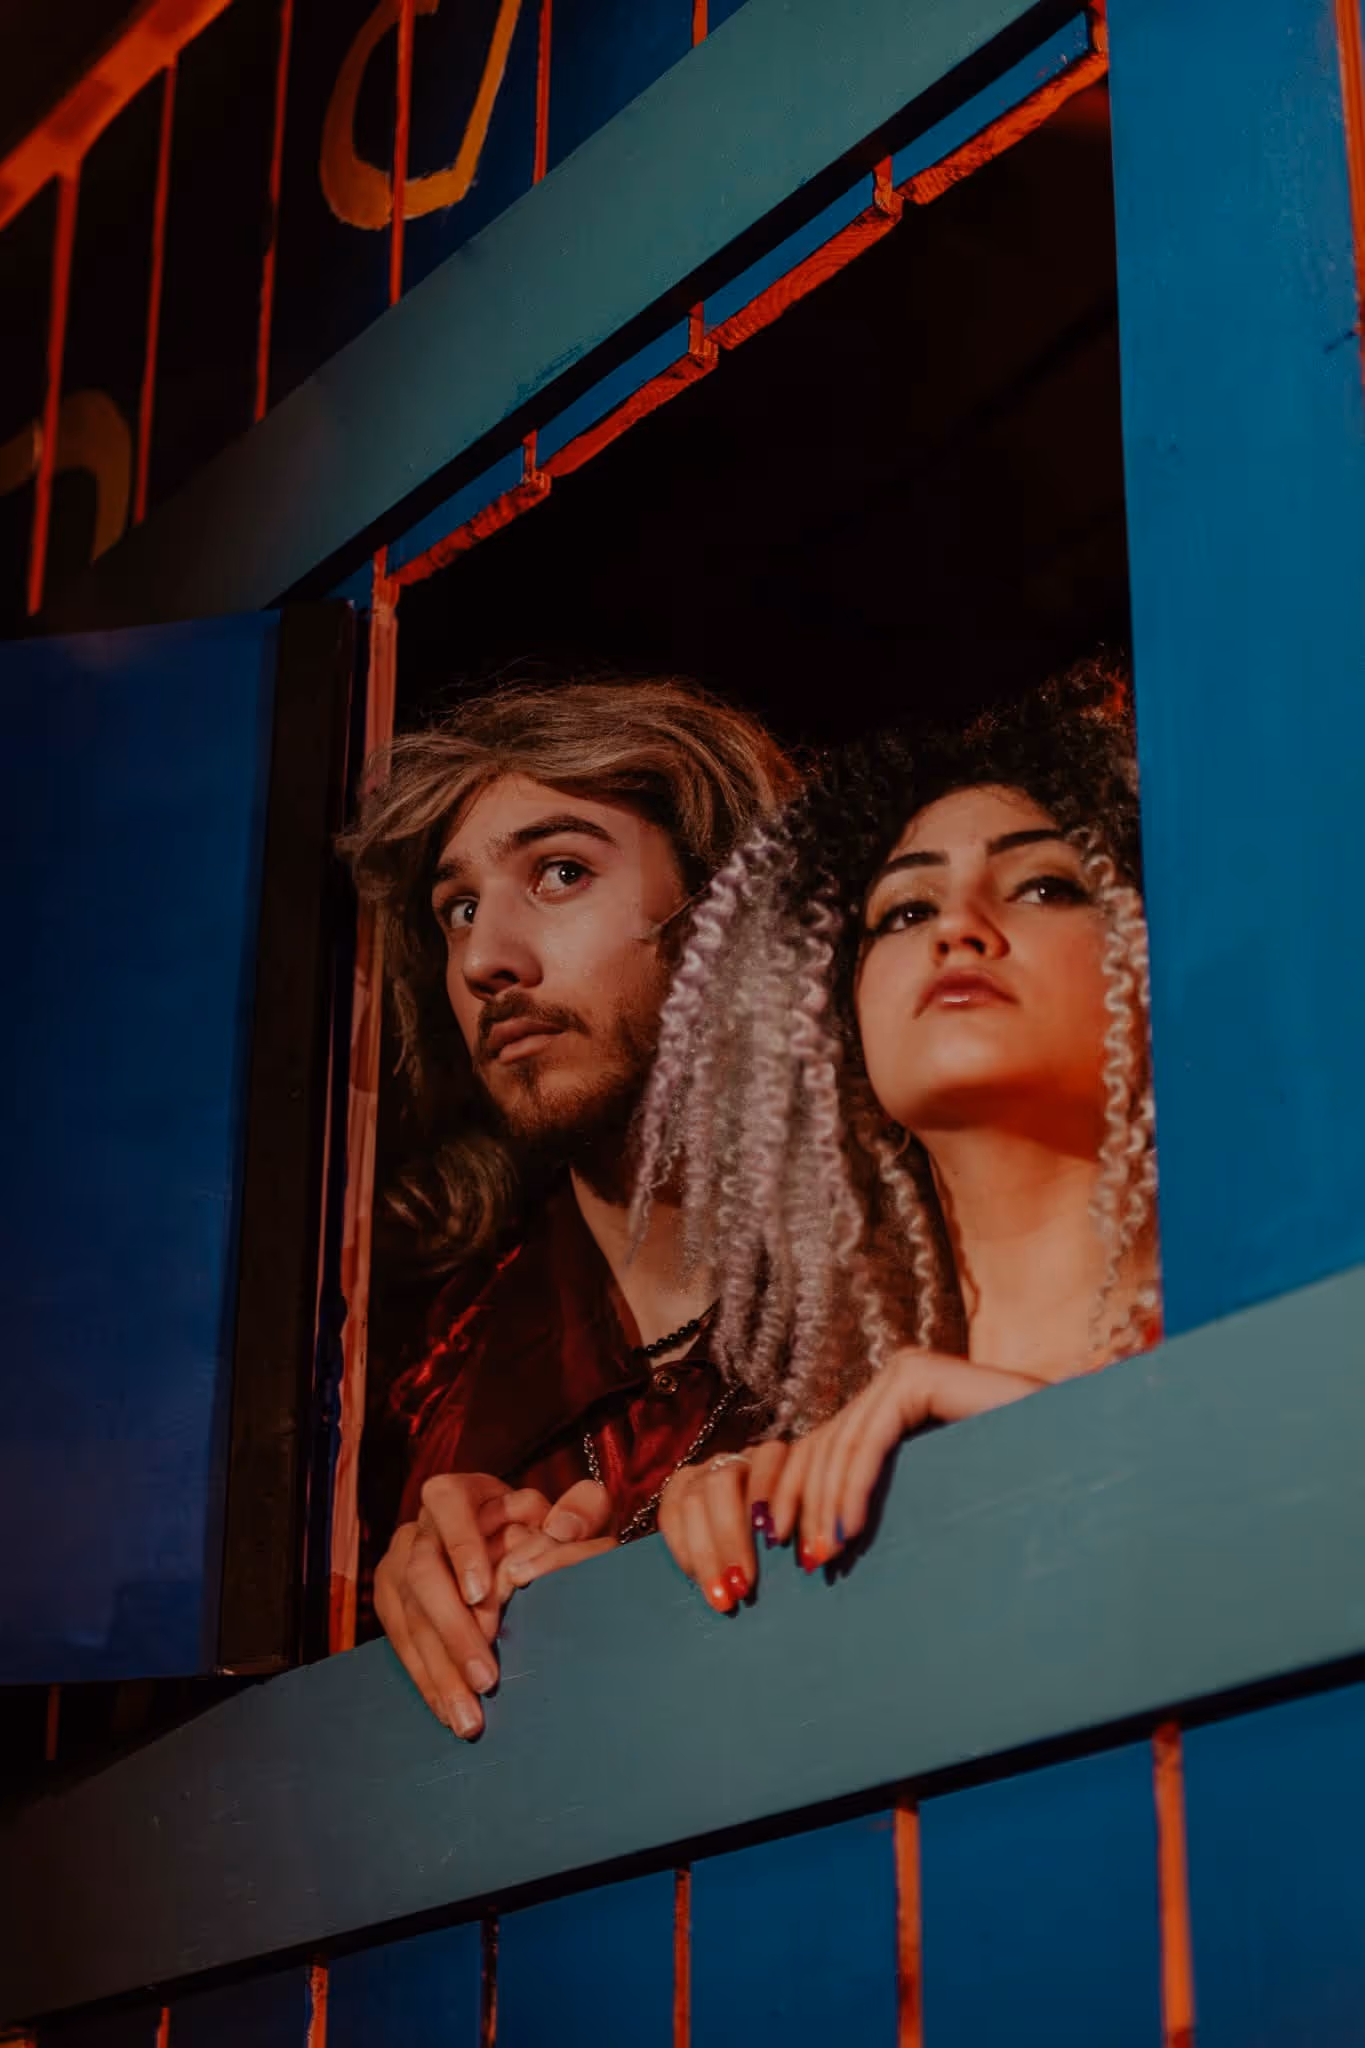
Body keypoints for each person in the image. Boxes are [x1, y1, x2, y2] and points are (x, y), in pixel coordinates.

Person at [610, 657, 1160, 1609]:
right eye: (904, 910)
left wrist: (996, 1423)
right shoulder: (811, 1452)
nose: (960, 928)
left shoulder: (1272, 1310)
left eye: (1043, 887)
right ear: (834, 1026)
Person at [340, 677, 797, 1733]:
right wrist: (407, 1602)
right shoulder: (428, 1375)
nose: (487, 958)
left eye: (559, 871)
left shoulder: (913, 1262)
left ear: (726, 908)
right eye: (457, 909)